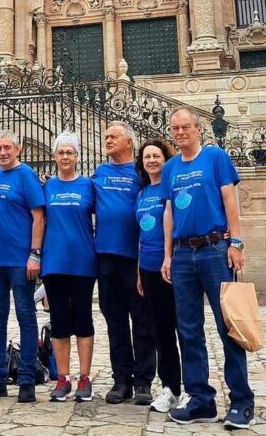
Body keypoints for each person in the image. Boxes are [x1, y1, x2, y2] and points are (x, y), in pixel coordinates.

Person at [162, 108, 255, 430]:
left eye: (186, 126)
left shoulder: (215, 158)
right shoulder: (171, 167)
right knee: (188, 331)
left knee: (229, 326)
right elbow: (169, 212)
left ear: (198, 129)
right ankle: (201, 399)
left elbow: (230, 200)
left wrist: (237, 242)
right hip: (184, 253)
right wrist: (168, 255)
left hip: (215, 248)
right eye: (175, 128)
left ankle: (242, 401)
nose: (180, 132)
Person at [92, 121, 155, 405]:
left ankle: (143, 381)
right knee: (114, 320)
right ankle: (121, 380)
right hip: (105, 256)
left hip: (134, 257)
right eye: (106, 136)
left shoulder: (141, 173)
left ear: (128, 142)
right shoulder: (101, 172)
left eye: (112, 136)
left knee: (142, 320)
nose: (107, 139)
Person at [0, 130, 45, 404]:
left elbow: (38, 215)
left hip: (20, 260)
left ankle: (27, 379)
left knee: (26, 317)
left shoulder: (25, 174)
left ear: (17, 149)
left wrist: (34, 254)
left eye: (7, 147)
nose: (2, 152)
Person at [42, 132, 96, 403]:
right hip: (54, 262)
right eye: (61, 152)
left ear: (77, 157)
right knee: (60, 322)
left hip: (84, 261)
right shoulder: (47, 186)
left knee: (83, 319)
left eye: (69, 153)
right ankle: (63, 378)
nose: (65, 157)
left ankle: (84, 377)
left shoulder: (89, 185)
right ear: (54, 157)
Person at [135, 139, 182, 413]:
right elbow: (141, 234)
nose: (151, 160)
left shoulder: (172, 187)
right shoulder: (141, 193)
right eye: (146, 157)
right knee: (161, 330)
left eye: (156, 156)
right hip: (148, 268)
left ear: (166, 159)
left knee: (183, 329)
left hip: (172, 267)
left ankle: (193, 387)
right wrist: (139, 272)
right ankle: (171, 387)